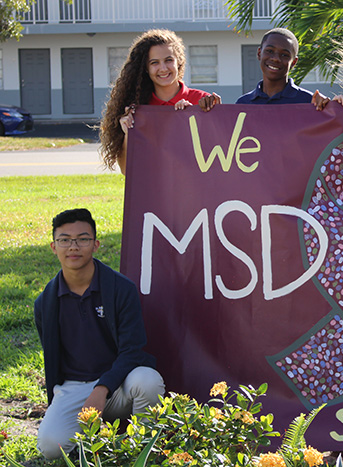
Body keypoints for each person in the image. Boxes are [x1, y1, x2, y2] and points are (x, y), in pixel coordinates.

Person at [35, 209, 164, 459]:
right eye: (64, 240)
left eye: (82, 239)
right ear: (53, 246)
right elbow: (52, 360)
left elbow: (132, 350)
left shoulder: (121, 289)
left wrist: (102, 388)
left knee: (148, 380)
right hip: (75, 387)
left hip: (119, 384)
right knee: (51, 447)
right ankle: (96, 445)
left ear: (95, 244)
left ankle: (142, 450)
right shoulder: (45, 303)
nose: (73, 246)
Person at [99, 29, 219, 174]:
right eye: (154, 63)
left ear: (179, 61)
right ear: (146, 69)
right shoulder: (137, 110)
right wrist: (128, 133)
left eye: (168, 60)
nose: (163, 68)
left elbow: (219, 158)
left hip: (194, 192)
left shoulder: (201, 101)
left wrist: (211, 115)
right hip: (155, 193)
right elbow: (126, 170)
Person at [199, 28, 324, 111]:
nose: (275, 59)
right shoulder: (244, 103)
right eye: (269, 51)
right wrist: (214, 113)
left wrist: (336, 105)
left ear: (294, 62)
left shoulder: (308, 102)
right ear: (259, 53)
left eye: (284, 55)